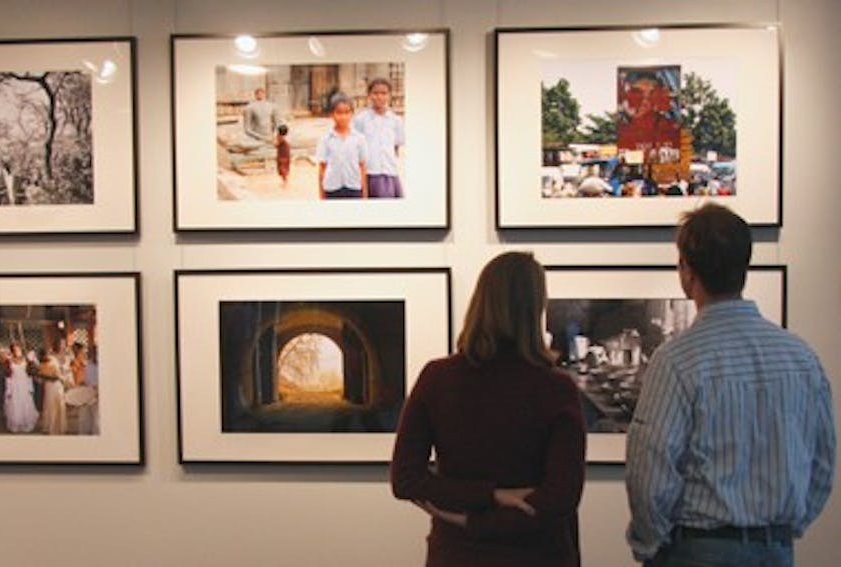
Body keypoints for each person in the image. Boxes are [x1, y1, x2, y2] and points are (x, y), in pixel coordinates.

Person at [625, 203, 836, 566]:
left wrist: (651, 545)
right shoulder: (801, 359)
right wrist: (784, 529)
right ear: (744, 267)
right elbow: (822, 462)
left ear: (687, 273)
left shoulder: (678, 360)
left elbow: (649, 469)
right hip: (775, 549)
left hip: (698, 549)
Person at [391, 252, 587, 567]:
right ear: (535, 308)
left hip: (458, 554)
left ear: (480, 300)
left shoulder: (438, 378)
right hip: (538, 555)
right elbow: (559, 499)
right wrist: (495, 496)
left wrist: (473, 515)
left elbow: (406, 479)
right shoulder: (556, 388)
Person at [352, 77, 405, 198]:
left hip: (389, 172)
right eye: (375, 93)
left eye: (384, 93)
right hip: (369, 172)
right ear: (369, 95)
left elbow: (395, 146)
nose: (379, 97)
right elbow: (355, 147)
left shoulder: (395, 120)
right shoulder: (361, 120)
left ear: (389, 96)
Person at [316, 93, 368, 199]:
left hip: (353, 187)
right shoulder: (326, 139)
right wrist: (321, 195)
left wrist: (365, 193)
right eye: (339, 113)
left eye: (347, 112)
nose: (343, 117)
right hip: (332, 188)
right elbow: (322, 168)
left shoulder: (359, 138)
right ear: (331, 114)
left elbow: (362, 166)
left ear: (352, 114)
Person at [3, 342, 40, 433]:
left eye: (18, 349)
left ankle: (26, 424)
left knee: (25, 403)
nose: (17, 351)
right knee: (15, 404)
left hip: (24, 384)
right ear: (12, 351)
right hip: (14, 385)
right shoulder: (9, 361)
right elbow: (8, 377)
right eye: (15, 350)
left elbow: (29, 375)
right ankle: (16, 425)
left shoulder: (26, 360)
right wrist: (9, 390)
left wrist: (30, 388)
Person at [274, 123, 291, 187]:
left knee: (282, 168)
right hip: (285, 154)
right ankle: (285, 180)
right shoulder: (283, 137)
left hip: (282, 155)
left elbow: (276, 144)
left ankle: (285, 181)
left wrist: (274, 140)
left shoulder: (281, 138)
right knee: (284, 167)